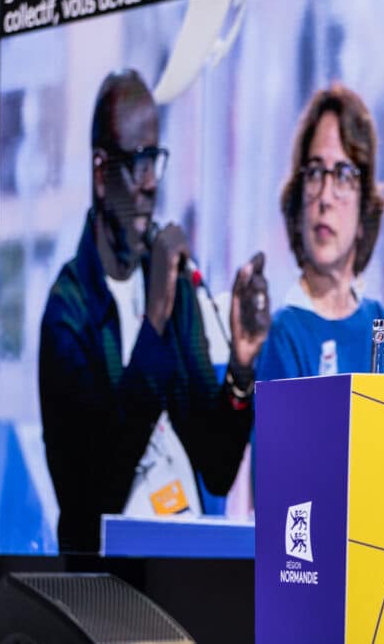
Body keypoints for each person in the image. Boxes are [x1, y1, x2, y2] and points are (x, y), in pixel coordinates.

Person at [38, 69, 270, 552]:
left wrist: (242, 366)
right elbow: (90, 495)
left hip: (184, 560)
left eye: (155, 161)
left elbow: (218, 467)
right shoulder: (68, 311)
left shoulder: (173, 284)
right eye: (136, 163)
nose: (150, 185)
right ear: (101, 173)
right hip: (107, 574)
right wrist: (155, 320)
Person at [257, 85, 384, 381]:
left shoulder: (381, 326)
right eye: (314, 173)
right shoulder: (282, 335)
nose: (325, 197)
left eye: (343, 175)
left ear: (364, 208)